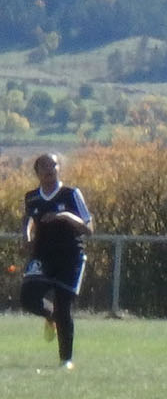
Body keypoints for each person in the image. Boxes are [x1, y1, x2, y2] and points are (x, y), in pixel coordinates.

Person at [20, 152, 92, 369]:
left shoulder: (71, 194)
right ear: (37, 172)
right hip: (42, 256)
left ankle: (65, 360)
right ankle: (51, 316)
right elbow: (28, 219)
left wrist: (65, 216)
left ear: (59, 168)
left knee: (64, 306)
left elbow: (88, 228)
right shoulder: (32, 197)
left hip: (70, 257)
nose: (50, 170)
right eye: (44, 166)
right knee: (28, 298)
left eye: (53, 165)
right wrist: (26, 235)